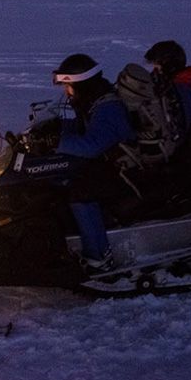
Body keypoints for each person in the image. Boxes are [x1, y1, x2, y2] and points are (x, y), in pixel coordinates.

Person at [52, 53, 135, 273]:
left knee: (80, 192)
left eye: (69, 87)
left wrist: (55, 143)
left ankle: (99, 257)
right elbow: (82, 127)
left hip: (127, 170)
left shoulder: (109, 107)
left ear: (83, 85)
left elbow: (92, 145)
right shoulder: (94, 101)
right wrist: (52, 128)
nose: (66, 92)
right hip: (110, 164)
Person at [144, 40, 191, 132]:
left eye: (157, 65)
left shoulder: (180, 91)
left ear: (168, 65)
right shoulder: (166, 84)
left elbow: (184, 126)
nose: (155, 68)